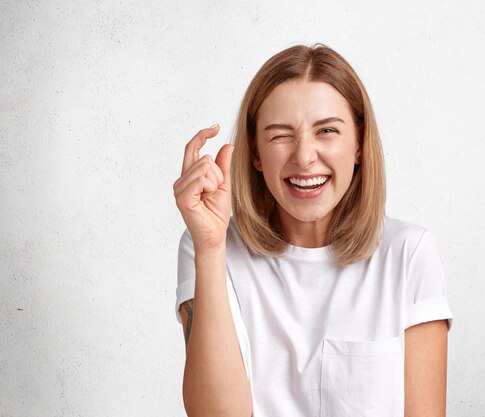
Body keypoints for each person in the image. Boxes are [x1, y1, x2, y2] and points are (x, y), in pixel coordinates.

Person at [172, 44, 453, 417]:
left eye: (327, 131)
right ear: (255, 152)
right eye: (279, 135)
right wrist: (210, 249)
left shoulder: (409, 253)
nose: (304, 157)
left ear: (359, 144)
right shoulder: (207, 246)